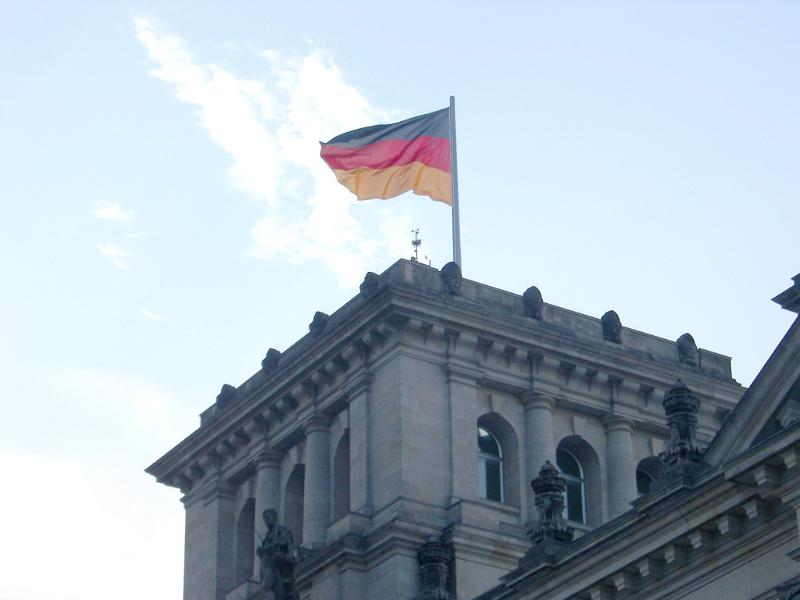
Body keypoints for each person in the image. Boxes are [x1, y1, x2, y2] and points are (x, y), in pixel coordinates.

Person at [256, 509, 297, 600]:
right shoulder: (267, 536)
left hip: (281, 557)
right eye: (264, 518)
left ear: (274, 518)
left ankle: (280, 583)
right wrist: (260, 552)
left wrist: (290, 554)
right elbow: (265, 551)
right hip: (270, 560)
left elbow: (288, 542)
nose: (266, 520)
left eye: (268, 517)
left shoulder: (281, 529)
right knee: (266, 561)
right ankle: (267, 584)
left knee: (274, 558)